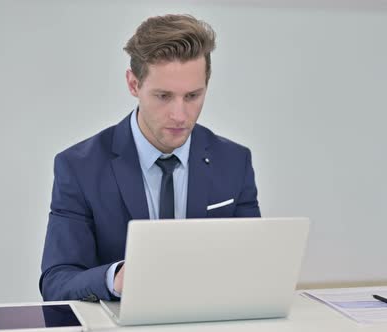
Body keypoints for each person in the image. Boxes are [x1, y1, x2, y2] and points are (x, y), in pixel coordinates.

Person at [40, 14, 261, 302]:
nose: (180, 116)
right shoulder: (79, 167)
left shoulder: (235, 161)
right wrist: (115, 278)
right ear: (134, 85)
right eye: (163, 96)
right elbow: (57, 282)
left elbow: (254, 266)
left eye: (193, 96)